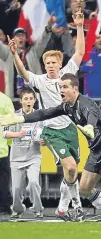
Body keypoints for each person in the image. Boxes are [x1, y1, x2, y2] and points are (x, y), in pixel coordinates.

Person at [0, 73, 101, 222]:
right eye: (60, 87)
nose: (60, 90)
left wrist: (89, 127)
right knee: (84, 188)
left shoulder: (85, 103)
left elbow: (91, 115)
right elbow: (44, 114)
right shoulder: (66, 106)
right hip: (96, 149)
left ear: (75, 89)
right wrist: (19, 118)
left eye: (64, 87)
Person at [7, 8, 85, 221]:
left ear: (60, 64)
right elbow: (23, 72)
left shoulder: (68, 73)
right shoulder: (40, 81)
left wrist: (79, 26)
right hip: (52, 131)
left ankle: (63, 206)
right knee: (69, 167)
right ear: (44, 65)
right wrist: (14, 54)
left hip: (70, 128)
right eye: (47, 63)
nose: (50, 66)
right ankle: (77, 206)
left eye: (53, 63)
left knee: (72, 172)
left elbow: (79, 53)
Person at [2, 87, 44, 219]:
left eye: (31, 98)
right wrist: (17, 134)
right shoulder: (14, 116)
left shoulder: (39, 116)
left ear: (34, 100)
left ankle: (38, 209)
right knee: (16, 189)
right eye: (26, 99)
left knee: (33, 183)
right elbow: (4, 133)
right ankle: (17, 209)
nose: (28, 101)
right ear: (21, 101)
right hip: (16, 157)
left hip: (33, 156)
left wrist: (43, 141)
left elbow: (44, 135)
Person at [0, 92, 15, 214]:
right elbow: (12, 124)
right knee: (3, 179)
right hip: (2, 148)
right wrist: (10, 144)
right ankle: (5, 207)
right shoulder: (5, 100)